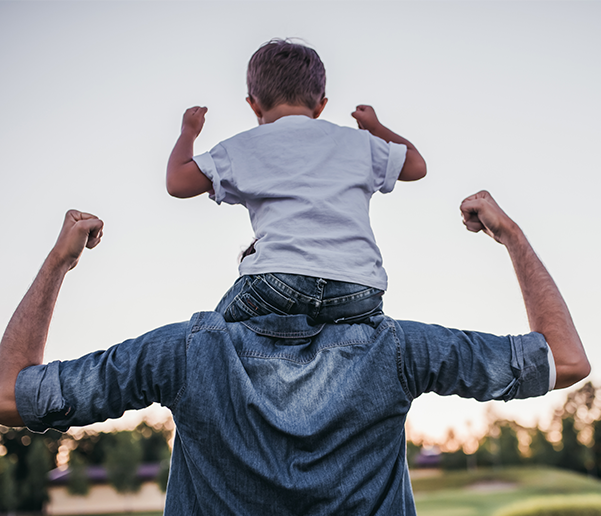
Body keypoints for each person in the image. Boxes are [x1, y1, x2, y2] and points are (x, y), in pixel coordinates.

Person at [0, 191, 590, 516]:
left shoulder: (185, 353)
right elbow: (565, 359)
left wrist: (59, 262)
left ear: (249, 271)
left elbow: (6, 396)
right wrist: (510, 235)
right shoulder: (396, 349)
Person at [166, 39, 427, 325]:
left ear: (253, 105)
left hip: (279, 283)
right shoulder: (358, 143)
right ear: (321, 105)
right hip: (359, 289)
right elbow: (416, 166)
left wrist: (188, 132)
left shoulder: (243, 146)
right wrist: (375, 128)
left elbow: (177, 182)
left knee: (211, 335)